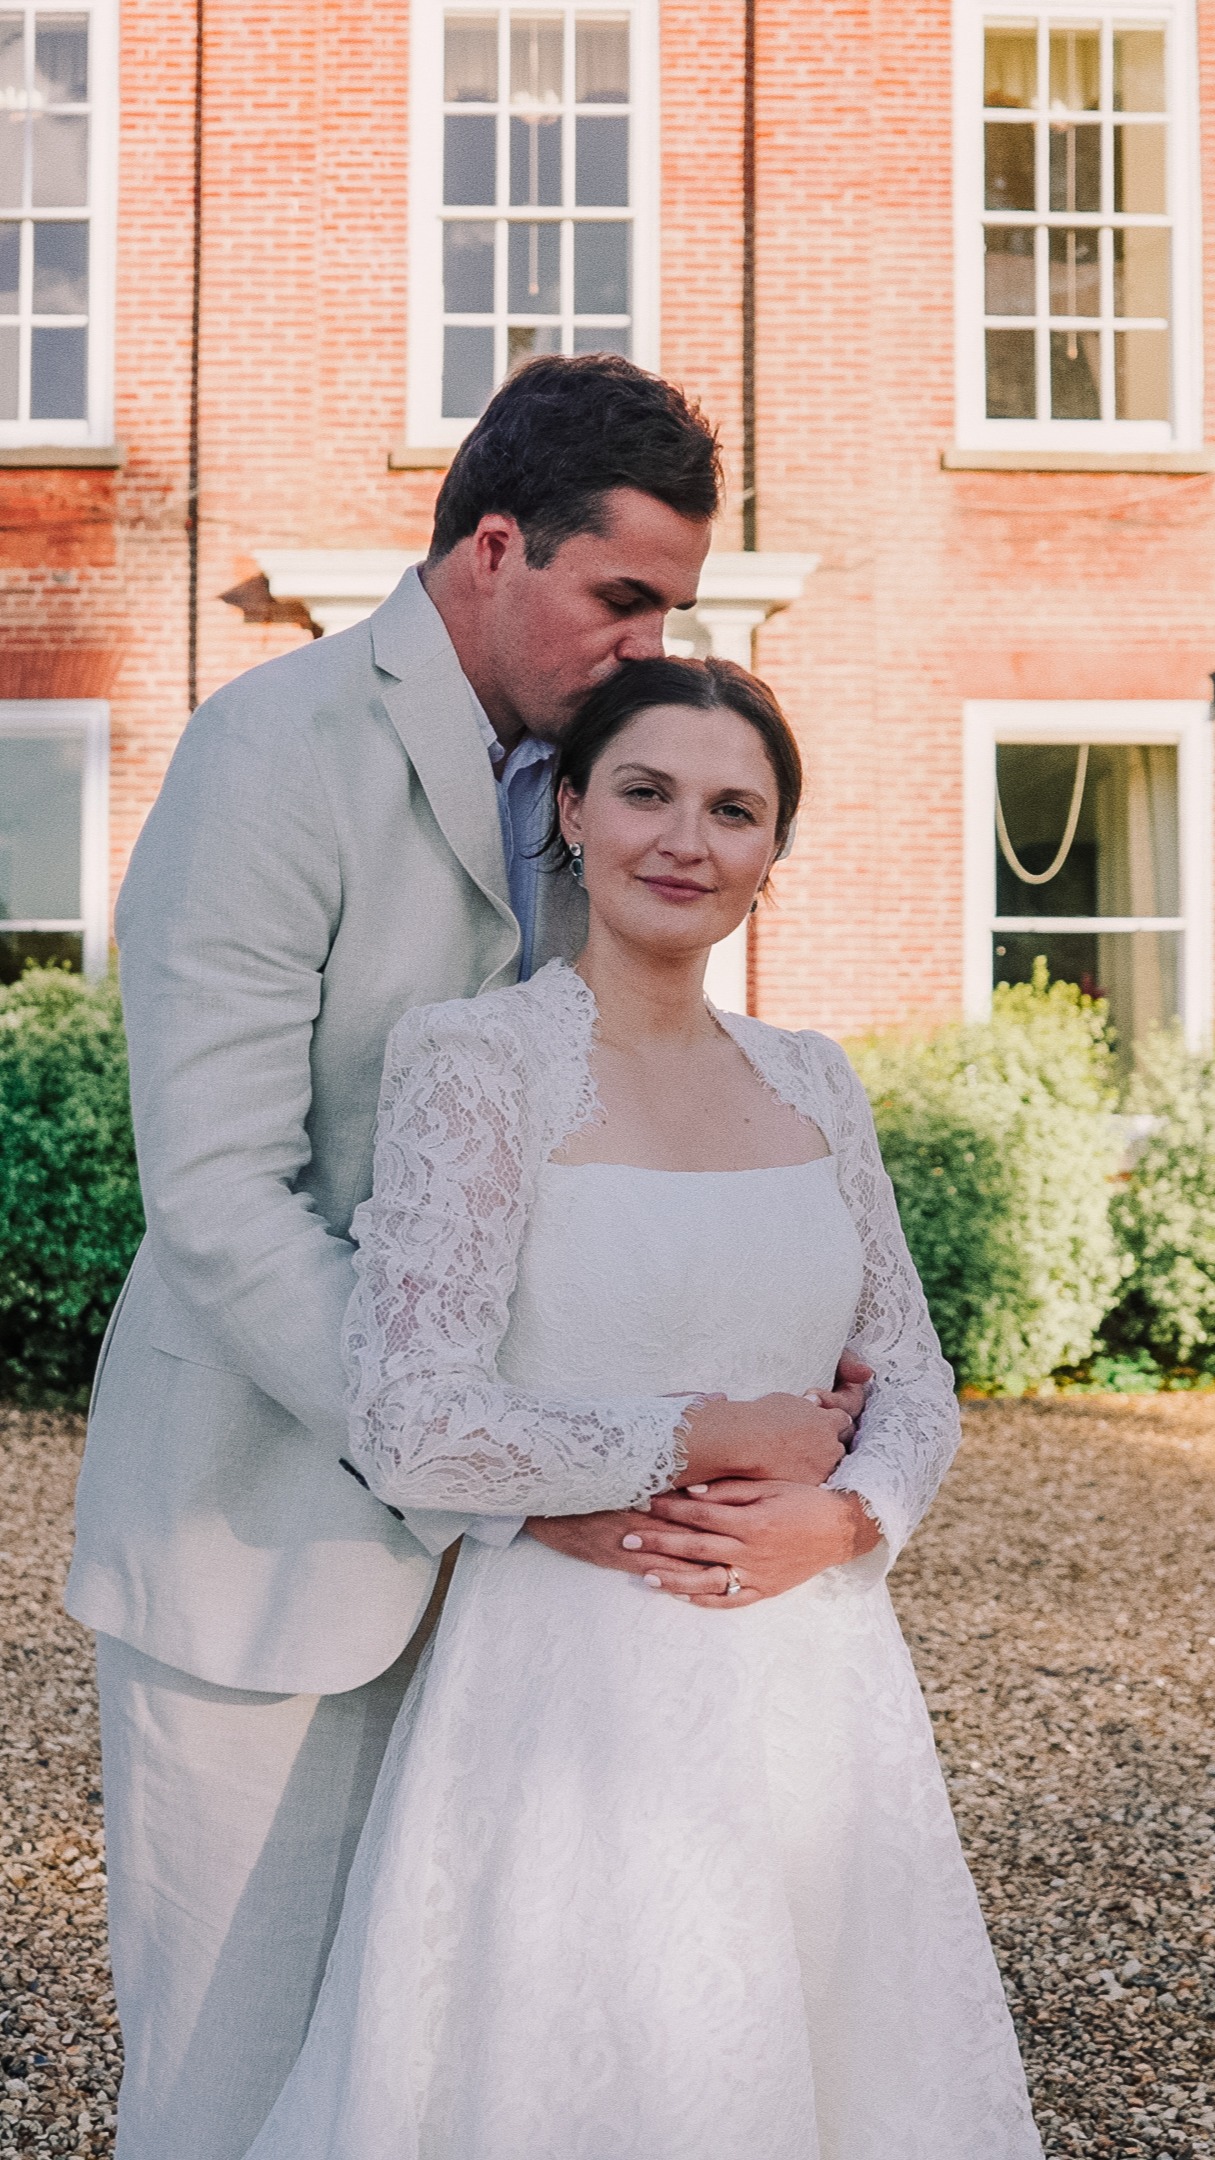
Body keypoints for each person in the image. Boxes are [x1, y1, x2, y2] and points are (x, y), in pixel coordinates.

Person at [64, 356, 869, 2160]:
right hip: (270, 1547)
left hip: (547, 1621)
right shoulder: (270, 752)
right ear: (494, 545)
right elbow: (220, 1196)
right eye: (624, 596)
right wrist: (506, 1467)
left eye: (674, 601)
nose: (653, 638)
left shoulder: (608, 780)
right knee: (231, 2093)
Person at [243, 655, 1042, 2160]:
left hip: (814, 1680)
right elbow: (412, 1415)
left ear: (771, 857)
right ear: (570, 813)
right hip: (566, 1689)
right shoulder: (476, 1064)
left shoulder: (815, 1080)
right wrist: (707, 1434)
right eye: (648, 792)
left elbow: (915, 1379)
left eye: (735, 809)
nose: (688, 838)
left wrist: (851, 1512)